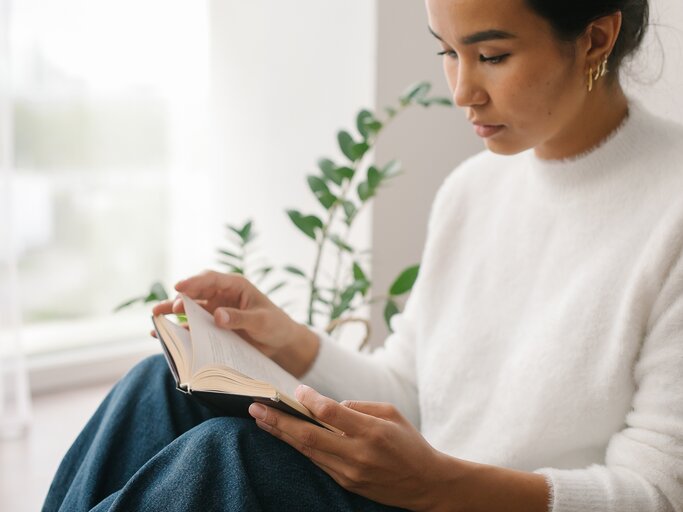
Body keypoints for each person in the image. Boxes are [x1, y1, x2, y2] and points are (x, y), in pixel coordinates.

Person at [43, 0, 683, 510]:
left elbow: (659, 492)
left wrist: (442, 486)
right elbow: (411, 390)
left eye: (491, 54)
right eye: (447, 51)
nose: (462, 90)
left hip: (467, 504)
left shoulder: (669, 208)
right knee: (159, 385)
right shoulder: (473, 190)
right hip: (421, 491)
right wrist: (285, 341)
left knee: (229, 459)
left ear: (596, 39)